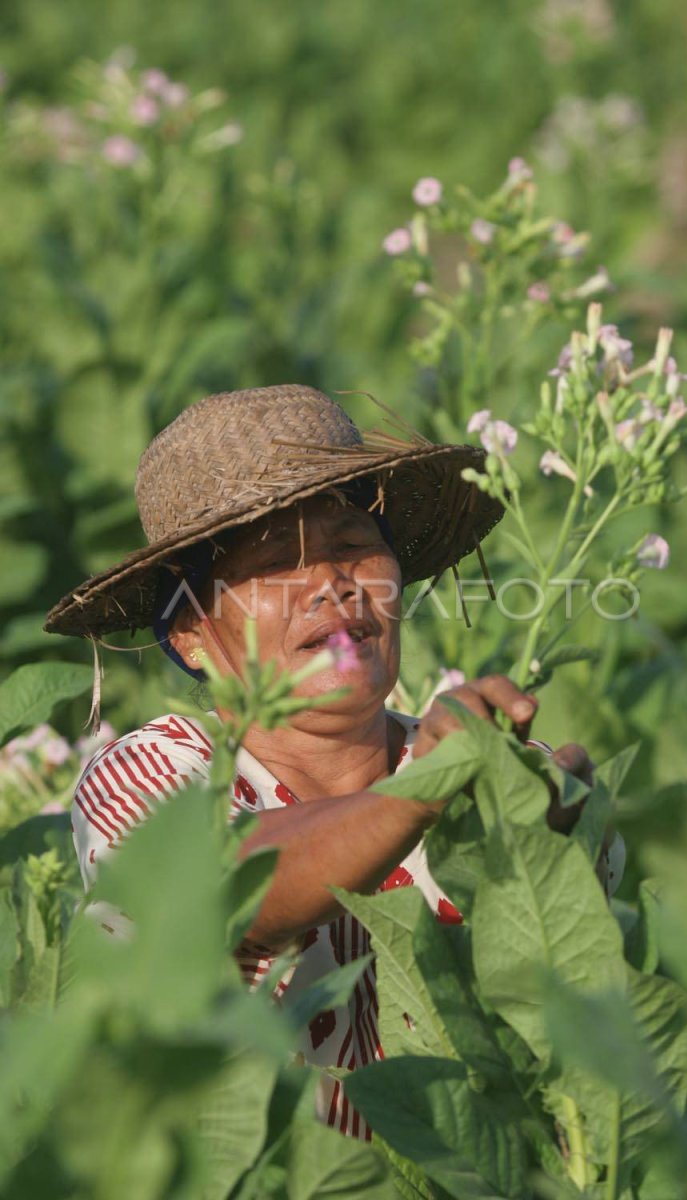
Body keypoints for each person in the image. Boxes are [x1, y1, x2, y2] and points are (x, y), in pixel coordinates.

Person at [44, 384, 621, 1139]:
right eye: (277, 560)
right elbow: (236, 875)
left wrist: (558, 833)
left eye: (352, 546)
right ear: (190, 635)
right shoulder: (151, 775)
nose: (329, 582)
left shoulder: (479, 769)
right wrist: (423, 791)